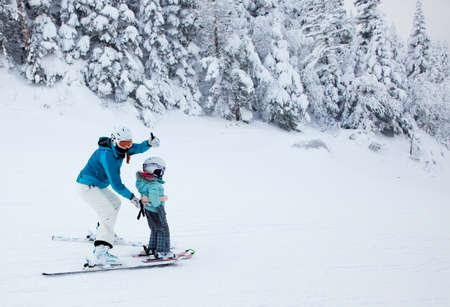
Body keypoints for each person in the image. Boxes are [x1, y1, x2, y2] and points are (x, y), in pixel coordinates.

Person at [76, 126, 160, 267]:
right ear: (115, 141)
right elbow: (116, 185)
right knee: (108, 211)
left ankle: (102, 231)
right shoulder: (107, 155)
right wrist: (133, 198)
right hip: (87, 186)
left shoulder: (120, 149)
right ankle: (101, 252)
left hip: (97, 186)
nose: (127, 148)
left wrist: (148, 143)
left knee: (115, 203)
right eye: (123, 144)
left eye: (128, 143)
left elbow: (136, 148)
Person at [136, 156, 174, 260]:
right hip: (156, 210)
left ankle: (152, 248)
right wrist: (159, 205)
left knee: (154, 229)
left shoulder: (143, 182)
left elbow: (146, 195)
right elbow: (153, 197)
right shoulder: (155, 185)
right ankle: (162, 251)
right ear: (155, 171)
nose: (161, 174)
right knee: (163, 230)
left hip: (148, 210)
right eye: (161, 171)